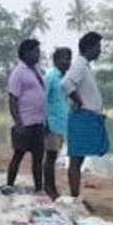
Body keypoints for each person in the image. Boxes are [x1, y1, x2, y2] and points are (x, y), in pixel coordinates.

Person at [62, 32, 108, 200]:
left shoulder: (85, 66)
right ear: (90, 48)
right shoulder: (79, 65)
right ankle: (75, 196)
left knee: (79, 158)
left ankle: (76, 195)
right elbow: (66, 84)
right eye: (98, 47)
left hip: (88, 116)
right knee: (76, 158)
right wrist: (78, 101)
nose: (100, 51)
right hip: (82, 117)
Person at [6, 38, 48, 191]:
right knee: (18, 155)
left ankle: (39, 188)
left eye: (38, 51)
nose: (38, 55)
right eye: (35, 51)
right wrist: (19, 123)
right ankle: (9, 186)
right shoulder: (18, 73)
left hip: (38, 122)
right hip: (25, 123)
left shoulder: (36, 71)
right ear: (25, 53)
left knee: (38, 158)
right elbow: (13, 99)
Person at [42, 47, 73, 199]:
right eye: (65, 59)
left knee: (54, 156)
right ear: (56, 60)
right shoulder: (51, 77)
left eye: (69, 59)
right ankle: (49, 188)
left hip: (61, 124)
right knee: (50, 156)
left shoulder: (65, 78)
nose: (68, 62)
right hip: (52, 124)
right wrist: (45, 123)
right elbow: (43, 100)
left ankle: (51, 187)